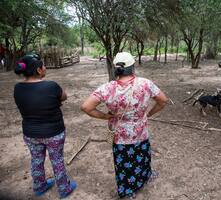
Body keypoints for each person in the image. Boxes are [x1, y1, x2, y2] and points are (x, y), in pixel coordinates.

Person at [81, 52, 168, 199]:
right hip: (141, 132)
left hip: (120, 134)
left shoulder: (107, 88)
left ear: (116, 69)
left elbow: (86, 107)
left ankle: (127, 191)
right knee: (143, 156)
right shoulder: (146, 84)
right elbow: (163, 101)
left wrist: (106, 116)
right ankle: (145, 177)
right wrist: (148, 114)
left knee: (123, 163)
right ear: (132, 67)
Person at [13, 54, 76, 198]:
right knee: (57, 160)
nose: (45, 68)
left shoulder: (18, 88)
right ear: (39, 70)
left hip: (30, 134)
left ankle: (39, 186)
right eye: (43, 66)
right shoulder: (51, 86)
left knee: (36, 159)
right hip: (54, 133)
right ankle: (64, 189)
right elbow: (64, 97)